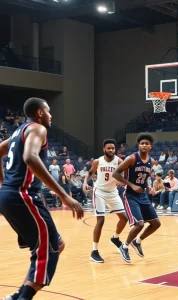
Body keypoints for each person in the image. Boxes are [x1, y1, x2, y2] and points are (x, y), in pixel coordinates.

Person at [0, 97, 83, 300]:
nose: (51, 116)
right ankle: (23, 297)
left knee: (57, 244)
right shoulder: (38, 128)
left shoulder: (18, 132)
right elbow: (30, 157)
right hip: (22, 195)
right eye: (49, 111)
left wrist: (3, 183)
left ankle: (19, 294)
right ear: (40, 113)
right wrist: (64, 196)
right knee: (50, 250)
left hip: (10, 196)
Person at [112, 133, 161, 263]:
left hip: (142, 195)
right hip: (129, 194)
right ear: (139, 145)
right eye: (142, 143)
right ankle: (124, 246)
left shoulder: (151, 161)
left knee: (156, 223)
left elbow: (144, 179)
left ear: (150, 146)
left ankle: (137, 242)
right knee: (139, 224)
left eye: (146, 143)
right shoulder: (131, 158)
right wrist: (131, 185)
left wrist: (148, 187)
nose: (144, 145)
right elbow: (115, 173)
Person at [83, 139, 128, 263]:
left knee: (124, 218)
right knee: (101, 220)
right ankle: (94, 251)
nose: (111, 150)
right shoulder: (98, 161)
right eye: (108, 148)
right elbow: (90, 172)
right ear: (104, 149)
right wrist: (85, 182)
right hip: (99, 192)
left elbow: (125, 173)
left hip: (113, 192)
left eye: (113, 148)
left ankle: (115, 238)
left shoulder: (119, 161)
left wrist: (122, 179)